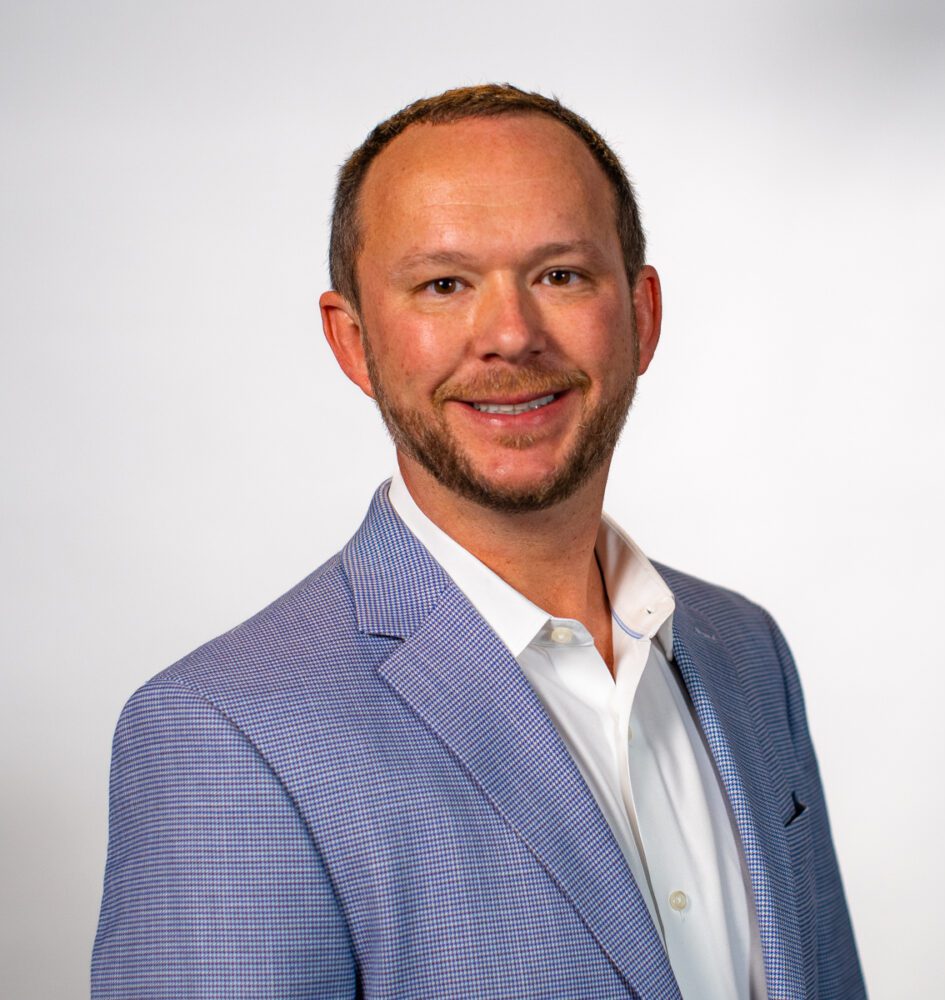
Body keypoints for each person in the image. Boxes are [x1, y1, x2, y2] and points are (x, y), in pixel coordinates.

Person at [92, 84, 865, 999]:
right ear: (353, 342)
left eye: (561, 275)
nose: (510, 334)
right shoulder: (224, 736)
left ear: (642, 315)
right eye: (444, 285)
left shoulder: (746, 654)